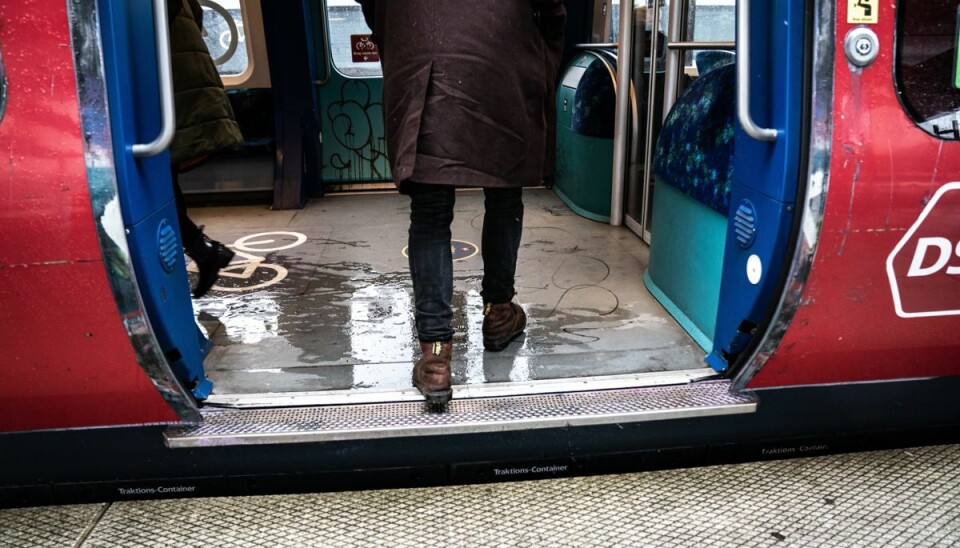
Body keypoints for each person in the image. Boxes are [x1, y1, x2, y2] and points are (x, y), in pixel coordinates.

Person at [357, 1, 567, 405]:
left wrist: (404, 33)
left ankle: (435, 360)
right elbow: (553, 11)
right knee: (505, 195)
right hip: (504, 57)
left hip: (421, 57)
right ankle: (500, 314)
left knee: (430, 213)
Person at [167, 0, 244, 297]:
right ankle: (204, 251)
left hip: (172, 89)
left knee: (157, 188)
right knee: (164, 184)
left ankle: (204, 252)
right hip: (183, 82)